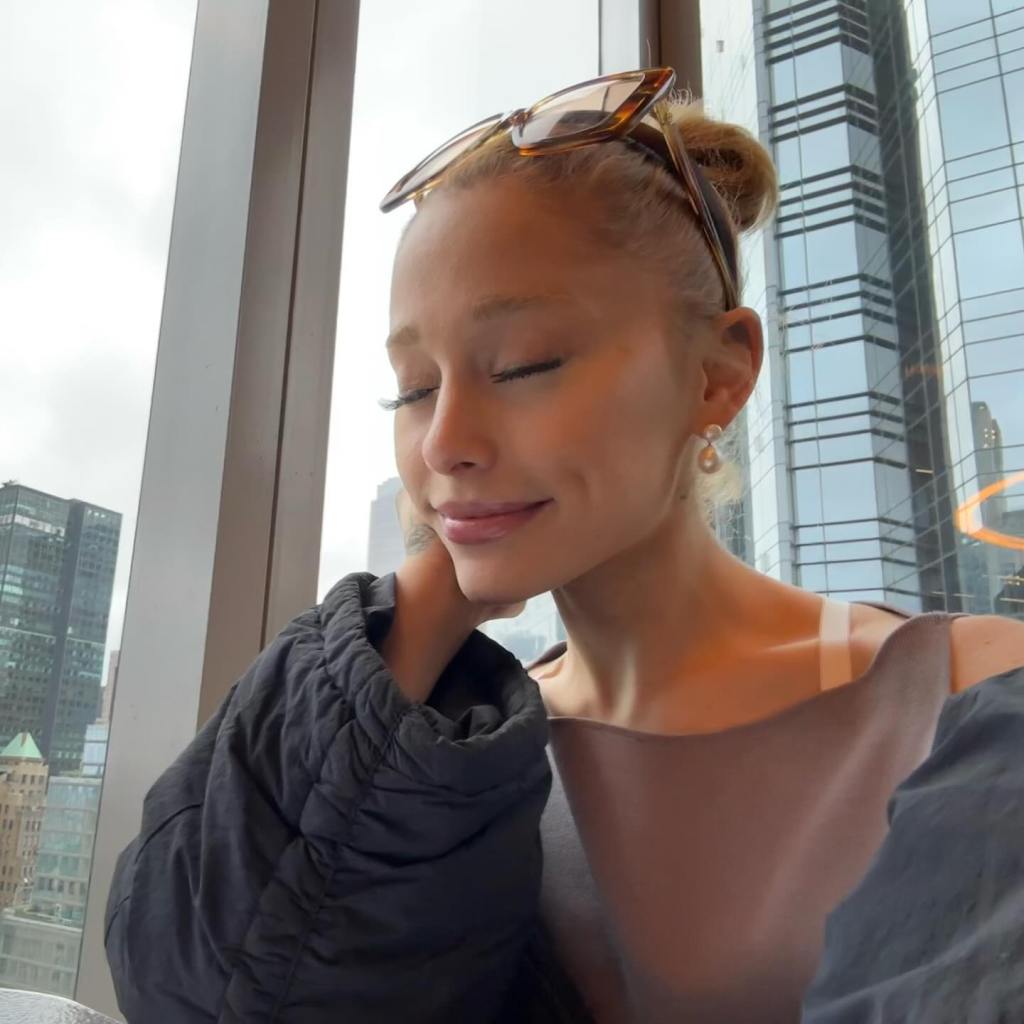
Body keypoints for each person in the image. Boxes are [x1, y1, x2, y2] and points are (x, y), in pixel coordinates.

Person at [104, 67, 1024, 1023]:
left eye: (525, 364)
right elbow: (212, 994)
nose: (444, 441)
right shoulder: (446, 754)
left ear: (717, 373)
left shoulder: (966, 694)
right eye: (413, 388)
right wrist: (431, 595)